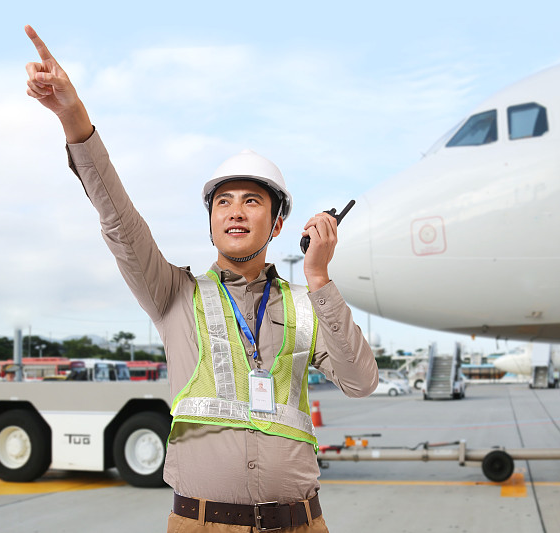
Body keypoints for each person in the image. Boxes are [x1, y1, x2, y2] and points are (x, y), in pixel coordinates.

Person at [23, 26, 378, 532]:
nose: (235, 212)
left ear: (277, 224)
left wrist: (320, 277)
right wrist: (73, 118)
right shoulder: (172, 293)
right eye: (223, 201)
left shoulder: (305, 304)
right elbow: (120, 220)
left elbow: (362, 382)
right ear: (210, 219)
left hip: (301, 523)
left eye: (252, 201)